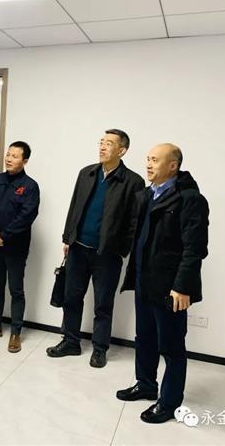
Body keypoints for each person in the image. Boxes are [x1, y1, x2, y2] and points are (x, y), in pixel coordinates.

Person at [116, 143, 209, 424]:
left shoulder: (190, 199)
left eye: (155, 160)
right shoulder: (147, 195)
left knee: (171, 346)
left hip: (171, 288)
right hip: (145, 281)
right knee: (144, 337)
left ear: (173, 165)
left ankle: (169, 403)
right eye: (147, 159)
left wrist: (182, 287)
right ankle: (145, 384)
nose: (148, 164)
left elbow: (195, 249)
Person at [46, 130, 144, 368]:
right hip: (78, 248)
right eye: (101, 142)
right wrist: (68, 238)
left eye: (108, 143)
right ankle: (70, 341)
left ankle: (100, 348)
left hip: (107, 254)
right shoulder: (86, 173)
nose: (102, 147)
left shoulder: (133, 181)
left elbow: (134, 222)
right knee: (71, 298)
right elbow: (74, 206)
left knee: (103, 304)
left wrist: (121, 249)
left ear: (122, 150)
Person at [0, 141, 40, 354]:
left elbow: (26, 216)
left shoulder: (30, 186)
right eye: (8, 154)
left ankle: (15, 333)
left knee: (16, 289)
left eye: (15, 156)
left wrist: (3, 236)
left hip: (15, 247)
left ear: (25, 160)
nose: (9, 159)